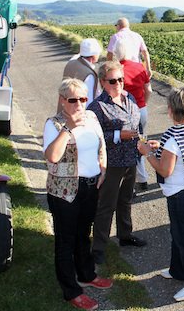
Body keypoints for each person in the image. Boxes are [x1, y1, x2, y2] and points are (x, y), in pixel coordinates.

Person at [43, 78, 112, 311]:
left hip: (91, 187)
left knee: (84, 234)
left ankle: (86, 274)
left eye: (83, 99)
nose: (80, 104)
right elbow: (51, 156)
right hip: (64, 192)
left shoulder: (91, 117)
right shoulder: (53, 124)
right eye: (73, 100)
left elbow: (101, 145)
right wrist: (68, 129)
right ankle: (71, 289)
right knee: (65, 240)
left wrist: (102, 168)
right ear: (63, 100)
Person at [137, 86, 184, 302]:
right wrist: (162, 148)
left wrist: (147, 152)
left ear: (170, 110)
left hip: (181, 195)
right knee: (178, 232)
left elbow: (165, 169)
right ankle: (177, 270)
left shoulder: (173, 138)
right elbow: (176, 152)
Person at [88, 61, 146, 265]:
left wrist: (142, 141)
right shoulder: (97, 106)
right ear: (103, 82)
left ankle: (125, 235)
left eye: (121, 79)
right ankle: (98, 248)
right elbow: (92, 135)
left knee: (126, 199)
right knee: (106, 205)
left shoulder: (128, 97)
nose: (118, 83)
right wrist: (117, 135)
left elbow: (136, 123)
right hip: (111, 163)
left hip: (131, 158)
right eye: (113, 80)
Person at [113, 39, 153, 191]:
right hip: (141, 109)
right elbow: (148, 89)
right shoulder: (139, 67)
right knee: (141, 141)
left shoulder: (117, 70)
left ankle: (132, 184)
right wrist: (144, 104)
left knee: (127, 146)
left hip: (124, 112)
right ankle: (142, 178)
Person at [59, 38, 102, 111]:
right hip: (77, 114)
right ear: (94, 56)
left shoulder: (72, 62)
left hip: (65, 110)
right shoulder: (89, 75)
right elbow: (88, 102)